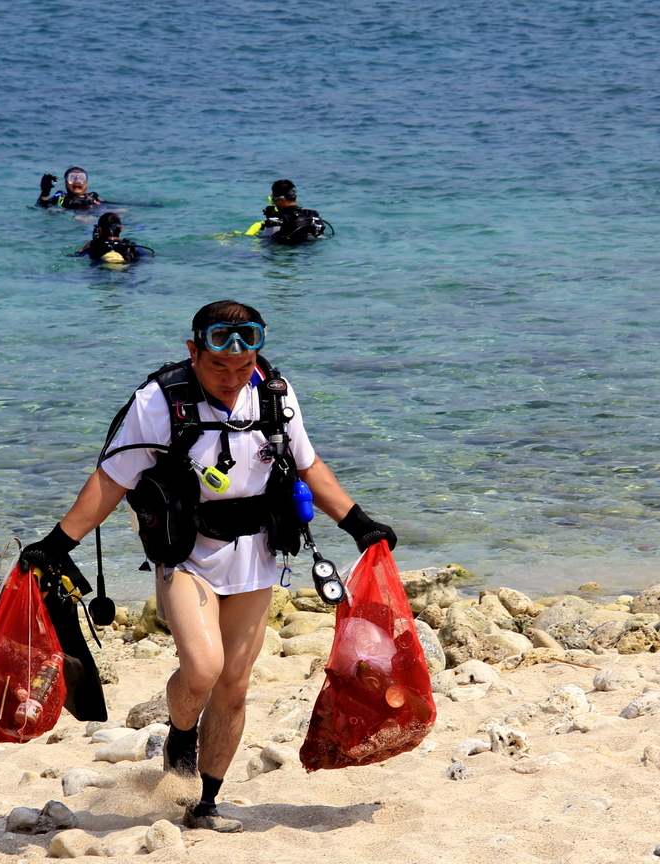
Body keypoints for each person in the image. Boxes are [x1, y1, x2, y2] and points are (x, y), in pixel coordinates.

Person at [20, 300, 395, 833]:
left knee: (235, 684)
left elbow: (308, 465)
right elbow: (111, 479)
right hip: (186, 552)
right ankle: (179, 733)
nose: (232, 378)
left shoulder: (274, 394)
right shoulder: (159, 401)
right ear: (193, 351)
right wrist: (56, 543)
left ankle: (206, 802)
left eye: (243, 367)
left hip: (257, 552)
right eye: (219, 366)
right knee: (202, 669)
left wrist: (359, 523)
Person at [245, 179, 330, 243]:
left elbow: (266, 242)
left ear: (282, 200)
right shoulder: (311, 215)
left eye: (273, 199)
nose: (273, 202)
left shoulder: (277, 221)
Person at [76, 213, 151, 263]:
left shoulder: (93, 249)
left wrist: (81, 250)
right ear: (121, 228)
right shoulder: (131, 248)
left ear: (99, 230)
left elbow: (74, 257)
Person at [37, 166, 104, 210]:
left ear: (87, 184)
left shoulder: (94, 199)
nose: (77, 181)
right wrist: (45, 193)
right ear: (66, 183)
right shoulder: (60, 199)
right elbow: (42, 208)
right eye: (72, 178)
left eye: (82, 178)